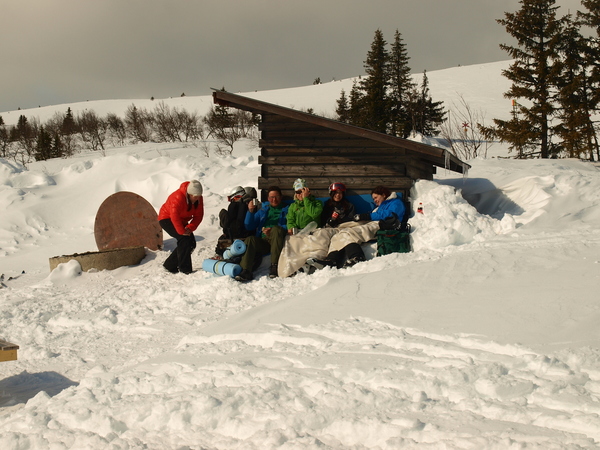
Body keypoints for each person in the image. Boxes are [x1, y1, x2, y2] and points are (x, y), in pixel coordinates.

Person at [307, 185, 406, 271]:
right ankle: (332, 260)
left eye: (376, 197)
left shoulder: (396, 202)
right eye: (374, 199)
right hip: (372, 223)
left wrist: (367, 216)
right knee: (338, 235)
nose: (375, 200)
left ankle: (357, 256)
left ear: (384, 195)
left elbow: (391, 215)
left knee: (348, 233)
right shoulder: (380, 206)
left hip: (382, 225)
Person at [235, 186, 288, 282]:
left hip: (279, 240)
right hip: (264, 241)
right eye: (271, 197)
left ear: (281, 197)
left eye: (276, 196)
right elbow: (249, 226)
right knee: (251, 239)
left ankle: (274, 266)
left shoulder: (287, 209)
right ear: (268, 198)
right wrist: (250, 211)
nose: (274, 199)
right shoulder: (264, 210)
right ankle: (246, 270)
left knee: (276, 229)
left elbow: (290, 225)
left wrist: (273, 230)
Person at [158, 180, 204, 274]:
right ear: (189, 194)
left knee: (191, 243)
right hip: (167, 219)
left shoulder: (199, 199)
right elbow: (174, 217)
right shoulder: (178, 197)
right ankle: (185, 270)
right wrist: (182, 231)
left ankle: (169, 265)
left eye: (199, 196)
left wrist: (190, 227)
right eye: (195, 197)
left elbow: (198, 216)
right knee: (184, 240)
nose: (197, 199)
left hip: (182, 220)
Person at [215, 185, 257, 257]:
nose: (234, 200)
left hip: (241, 235)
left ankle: (221, 254)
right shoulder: (250, 204)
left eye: (236, 198)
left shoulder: (239, 206)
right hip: (244, 234)